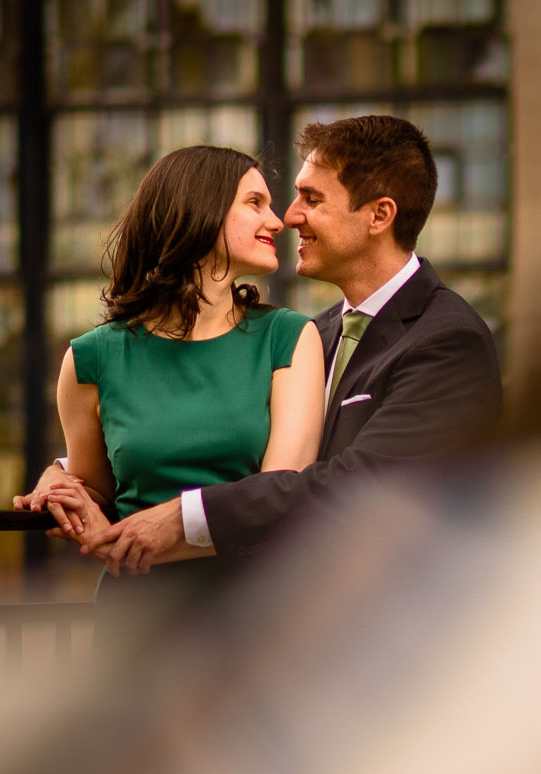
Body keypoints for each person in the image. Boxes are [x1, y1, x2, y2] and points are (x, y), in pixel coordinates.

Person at [21, 114, 504, 575]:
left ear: (380, 215)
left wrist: (176, 520)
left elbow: (358, 485)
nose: (289, 217)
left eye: (311, 199)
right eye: (269, 202)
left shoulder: (446, 340)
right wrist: (63, 478)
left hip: (395, 628)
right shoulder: (321, 330)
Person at [22, 145, 325, 604]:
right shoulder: (91, 359)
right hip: (135, 617)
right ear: (200, 209)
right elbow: (96, 489)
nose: (278, 221)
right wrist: (58, 484)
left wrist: (148, 539)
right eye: (254, 203)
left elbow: (278, 497)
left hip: (254, 612)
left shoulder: (289, 338)